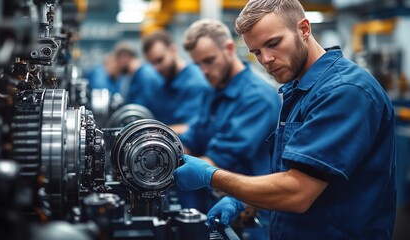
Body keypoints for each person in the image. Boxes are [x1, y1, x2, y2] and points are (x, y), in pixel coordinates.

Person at [174, 0, 397, 239]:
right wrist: (244, 201)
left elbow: (298, 192)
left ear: (303, 29)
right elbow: (293, 173)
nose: (266, 59)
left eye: (273, 43)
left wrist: (211, 176)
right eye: (256, 52)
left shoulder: (345, 91)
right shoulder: (298, 91)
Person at [179, 19, 281, 239]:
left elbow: (218, 160)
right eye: (198, 65)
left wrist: (160, 173)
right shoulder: (212, 91)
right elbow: (191, 140)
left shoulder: (258, 97)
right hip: (215, 209)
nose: (204, 71)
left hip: (250, 218)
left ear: (229, 49)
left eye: (209, 61)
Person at [140, 31, 212, 134]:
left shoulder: (196, 83)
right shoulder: (163, 83)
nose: (156, 68)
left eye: (160, 60)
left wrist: (153, 133)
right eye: (152, 63)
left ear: (173, 50)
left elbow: (191, 128)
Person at [112, 42, 164, 106]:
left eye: (117, 61)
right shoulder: (134, 77)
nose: (117, 65)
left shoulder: (145, 75)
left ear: (123, 58)